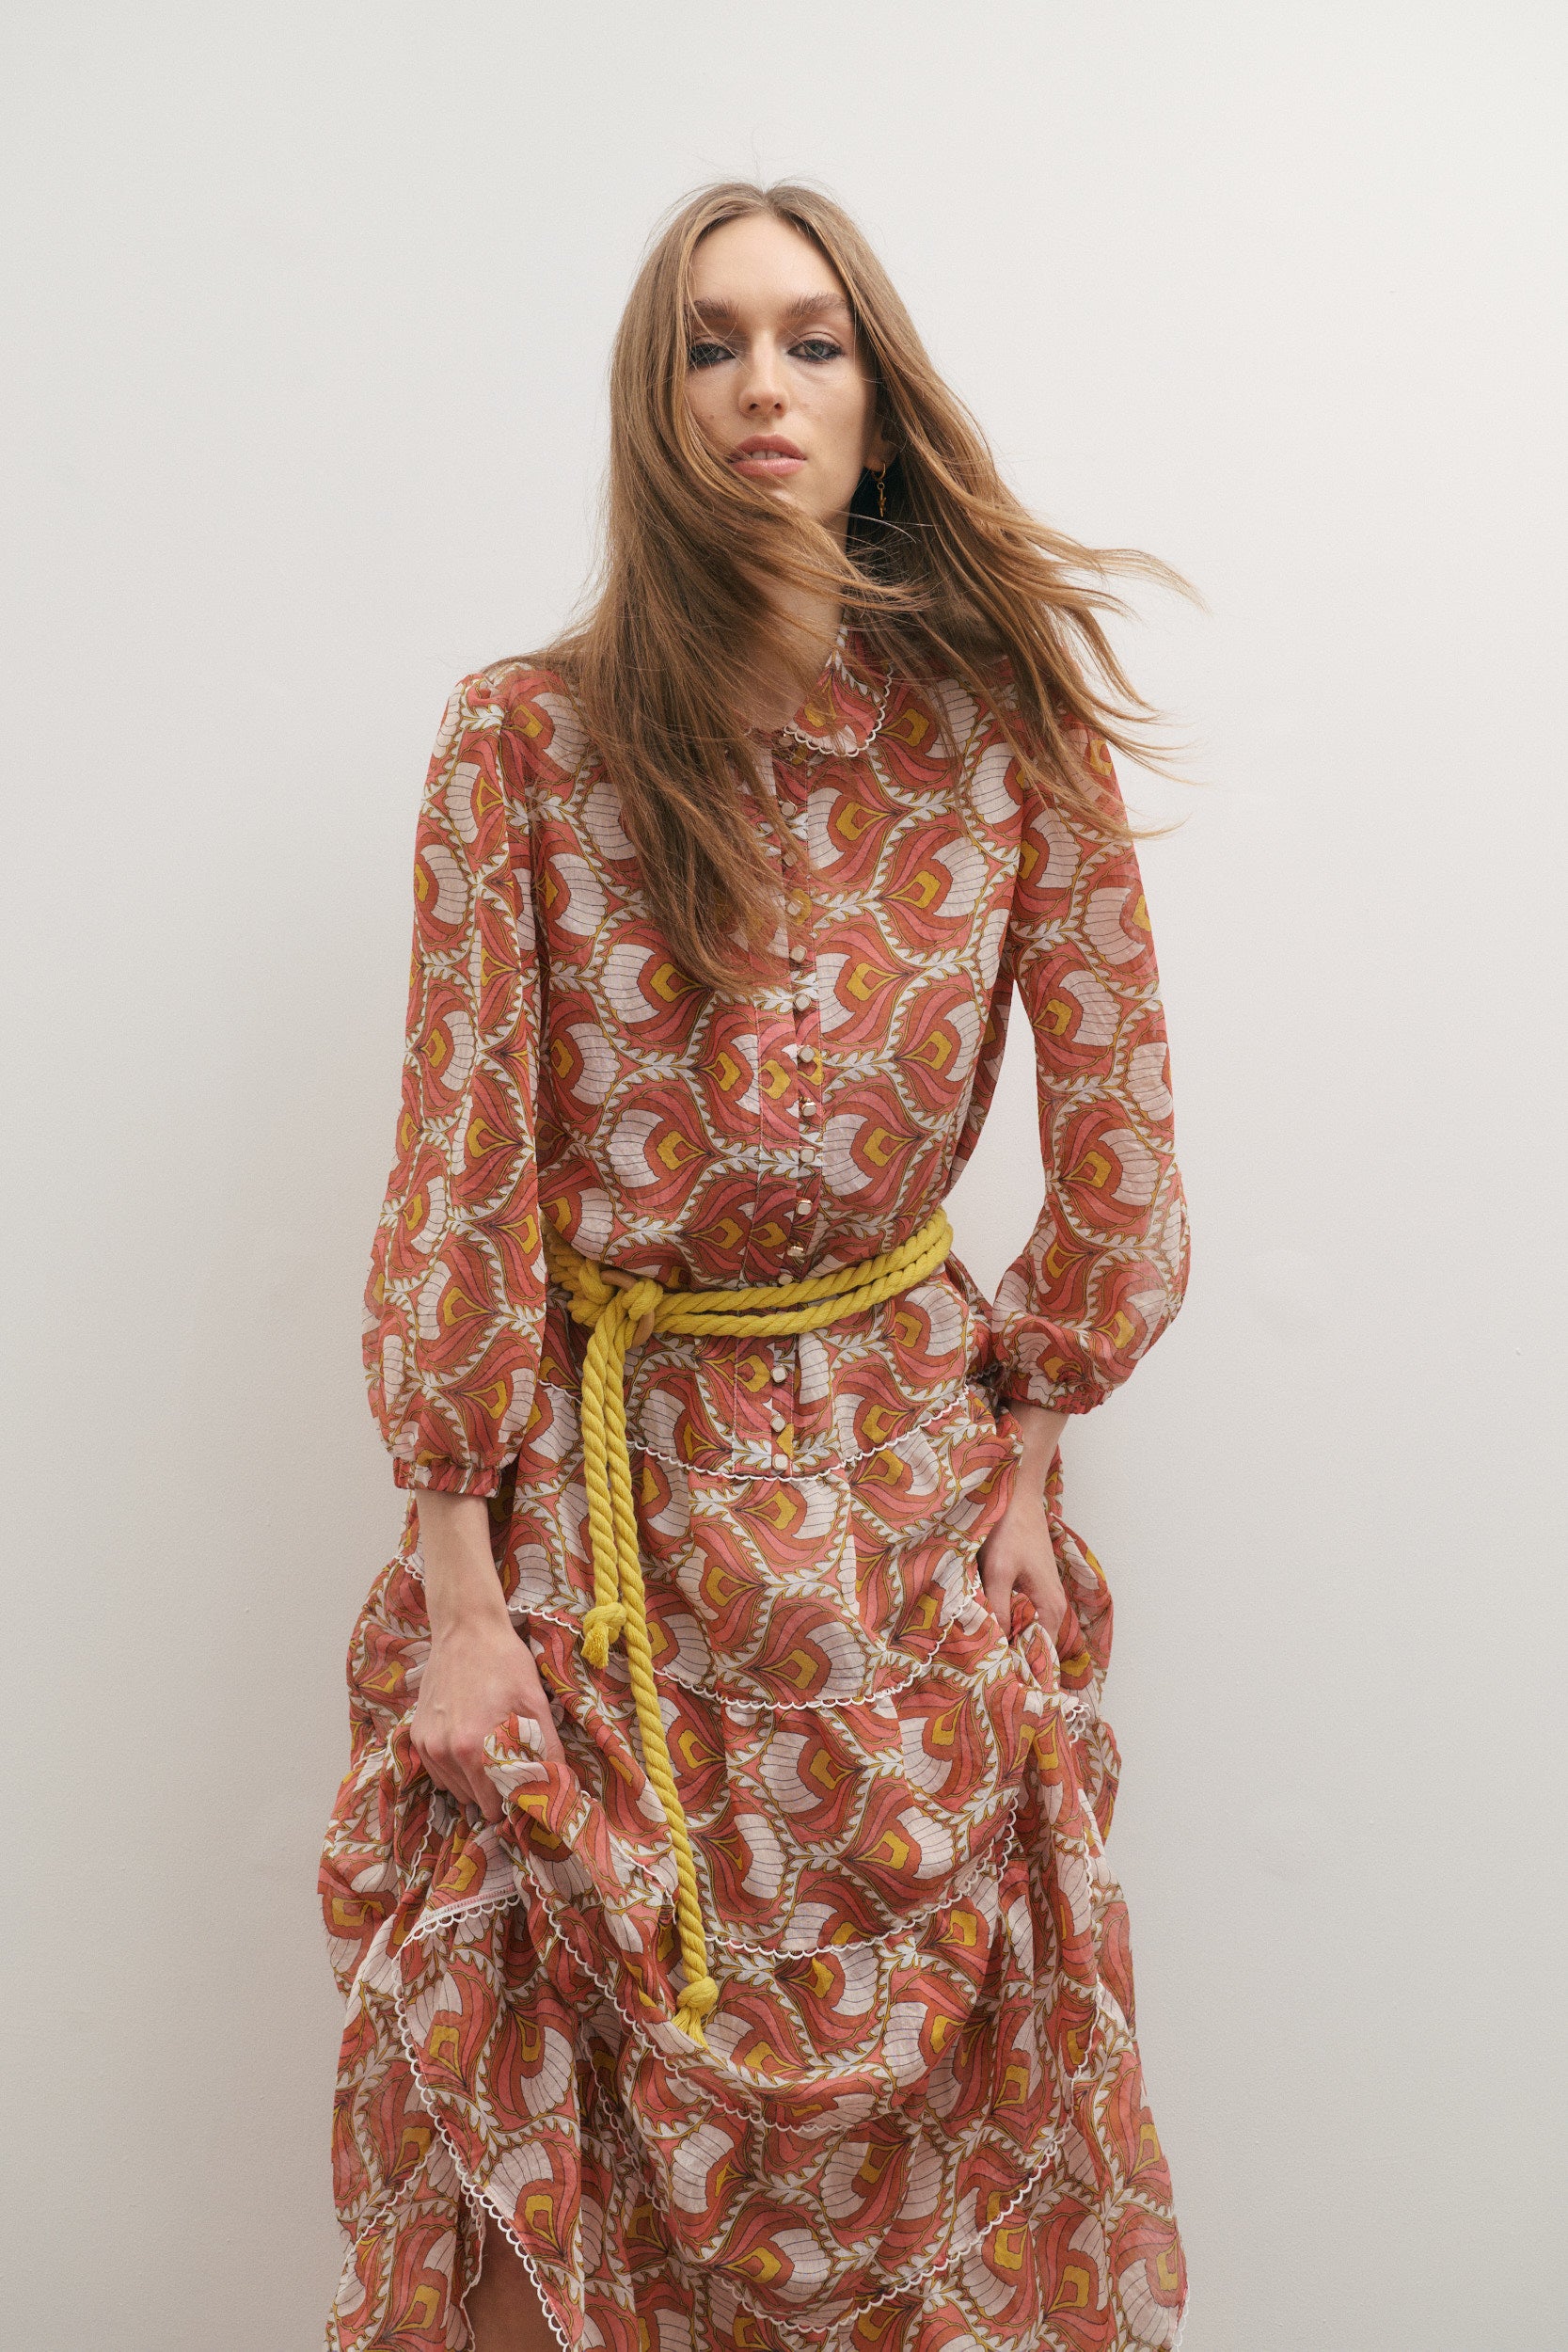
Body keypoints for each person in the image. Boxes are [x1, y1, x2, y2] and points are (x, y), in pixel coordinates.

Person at [320, 180, 1192, 2352]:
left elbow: (1120, 1134)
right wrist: (451, 1582)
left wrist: (1026, 1453)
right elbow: (460, 1170)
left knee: (940, 2156)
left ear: (879, 406)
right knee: (547, 2116)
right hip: (598, 1530)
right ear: (654, 403)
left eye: (811, 340)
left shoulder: (1005, 735)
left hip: (901, 1511)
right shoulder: (524, 743)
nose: (761, 387)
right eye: (711, 344)